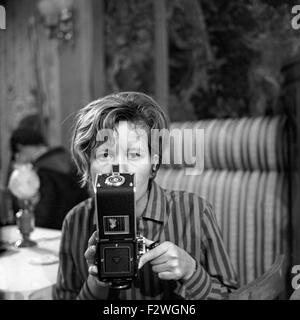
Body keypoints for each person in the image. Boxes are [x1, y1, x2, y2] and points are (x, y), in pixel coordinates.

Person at [53, 92, 238, 300]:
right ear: (88, 165)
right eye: (105, 154)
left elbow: (232, 296)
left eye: (134, 154)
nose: (118, 168)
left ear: (153, 165)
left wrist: (191, 272)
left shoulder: (195, 212)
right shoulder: (75, 221)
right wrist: (96, 283)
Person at [8, 126, 89, 229]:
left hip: (57, 229)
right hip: (81, 224)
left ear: (20, 147)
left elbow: (45, 211)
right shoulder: (66, 157)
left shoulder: (43, 170)